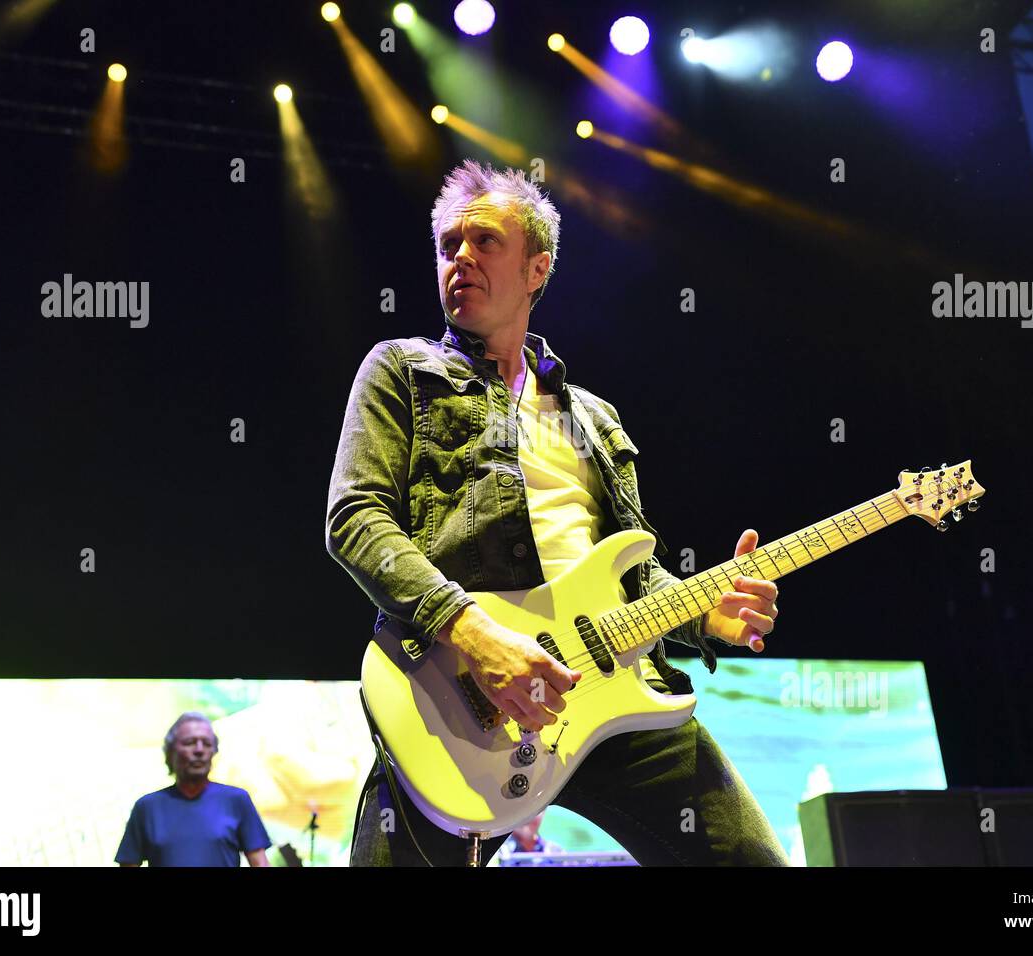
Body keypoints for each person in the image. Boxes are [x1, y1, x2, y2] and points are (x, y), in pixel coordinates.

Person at [327, 159, 789, 866]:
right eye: (448, 246)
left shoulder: (594, 418)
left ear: (536, 268)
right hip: (459, 692)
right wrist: (477, 637)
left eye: (485, 242)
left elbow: (635, 574)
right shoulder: (402, 369)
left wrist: (704, 614)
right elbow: (356, 518)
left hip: (619, 694)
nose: (460, 258)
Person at [115, 711, 273, 867]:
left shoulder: (236, 800)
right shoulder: (147, 807)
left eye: (207, 744)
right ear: (171, 751)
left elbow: (260, 863)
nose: (199, 750)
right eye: (189, 742)